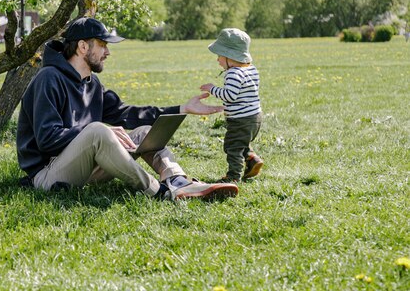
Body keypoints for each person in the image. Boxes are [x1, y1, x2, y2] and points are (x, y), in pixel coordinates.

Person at [17, 17, 239, 201]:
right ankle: (160, 192)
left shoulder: (91, 83)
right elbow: (47, 138)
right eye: (102, 45)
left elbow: (128, 113)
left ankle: (178, 181)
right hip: (49, 174)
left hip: (85, 168)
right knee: (97, 130)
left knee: (143, 132)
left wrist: (183, 108)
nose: (108, 52)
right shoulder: (48, 78)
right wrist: (95, 132)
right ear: (83, 46)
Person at [200, 28, 263, 183]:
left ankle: (233, 177)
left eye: (219, 56)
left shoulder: (233, 73)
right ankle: (253, 159)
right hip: (255, 117)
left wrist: (212, 89)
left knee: (232, 147)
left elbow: (230, 96)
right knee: (242, 142)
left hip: (240, 120)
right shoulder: (251, 69)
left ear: (229, 56)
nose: (217, 60)